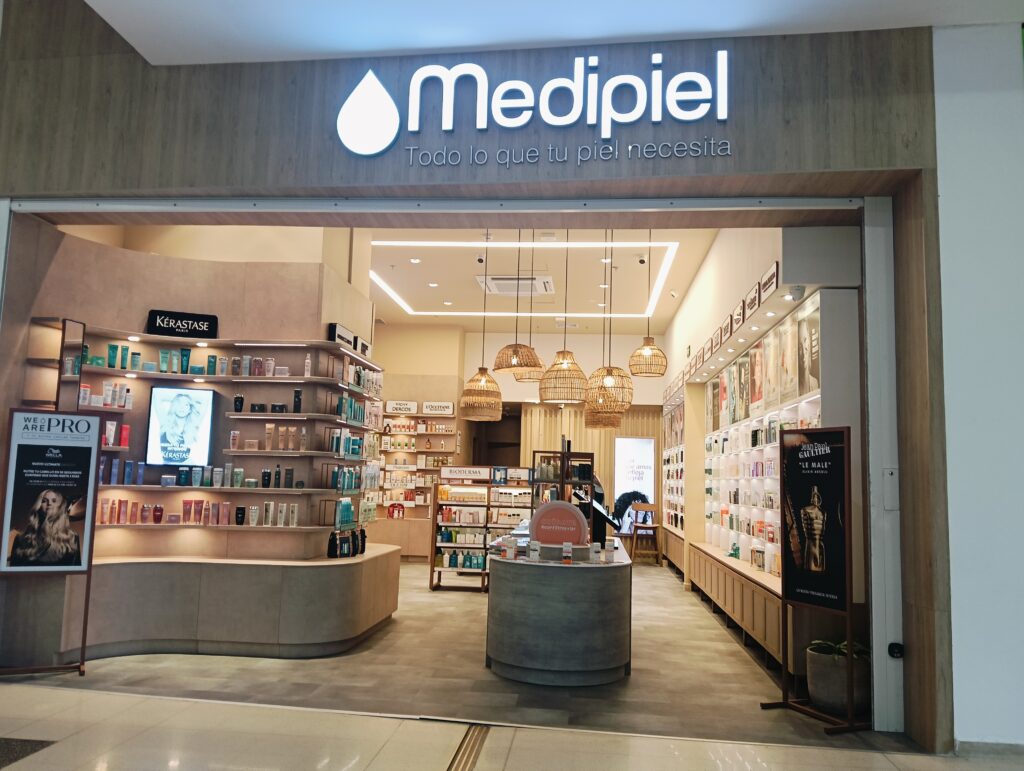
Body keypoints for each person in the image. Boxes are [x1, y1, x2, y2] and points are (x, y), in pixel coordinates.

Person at [9, 489, 82, 567]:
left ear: (60, 507)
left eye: (54, 501)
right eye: (44, 501)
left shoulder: (72, 538)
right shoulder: (20, 539)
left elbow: (75, 570)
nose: (49, 503)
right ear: (38, 506)